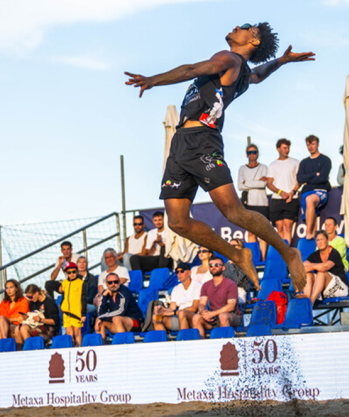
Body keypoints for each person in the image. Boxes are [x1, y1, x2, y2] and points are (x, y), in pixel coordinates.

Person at [125, 22, 313, 293]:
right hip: (181, 142)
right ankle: (237, 255)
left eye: (246, 27)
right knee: (177, 222)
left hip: (203, 140)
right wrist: (281, 61)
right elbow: (259, 74)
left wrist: (154, 80)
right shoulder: (243, 72)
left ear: (254, 41)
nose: (238, 26)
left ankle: (288, 253)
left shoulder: (229, 58)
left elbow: (191, 69)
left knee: (234, 211)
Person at [192, 256, 240, 338]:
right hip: (213, 316)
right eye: (211, 265)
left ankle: (226, 346)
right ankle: (200, 346)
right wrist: (203, 313)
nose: (213, 267)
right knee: (196, 317)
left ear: (223, 268)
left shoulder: (231, 284)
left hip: (231, 315)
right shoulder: (206, 285)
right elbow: (202, 303)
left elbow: (231, 306)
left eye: (217, 265)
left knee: (223, 316)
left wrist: (212, 314)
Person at [299, 231, 349, 307]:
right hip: (322, 288)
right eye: (317, 240)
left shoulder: (334, 253)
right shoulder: (314, 255)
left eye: (322, 239)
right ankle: (307, 296)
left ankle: (311, 301)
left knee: (321, 272)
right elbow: (301, 268)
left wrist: (311, 266)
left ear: (327, 240)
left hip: (340, 287)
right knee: (308, 274)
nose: (320, 242)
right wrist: (317, 266)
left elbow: (325, 267)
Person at [238, 143, 269, 258]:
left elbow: (264, 184)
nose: (252, 154)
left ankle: (263, 258)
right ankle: (254, 258)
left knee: (263, 233)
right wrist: (256, 182)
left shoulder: (264, 167)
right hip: (249, 203)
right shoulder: (242, 168)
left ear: (258, 153)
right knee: (250, 232)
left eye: (254, 152)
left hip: (262, 203)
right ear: (247, 154)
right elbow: (240, 186)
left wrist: (248, 183)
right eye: (250, 152)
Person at [267, 138, 301, 244]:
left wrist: (291, 192)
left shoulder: (295, 162)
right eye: (284, 148)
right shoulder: (272, 165)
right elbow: (269, 183)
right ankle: (281, 254)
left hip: (291, 198)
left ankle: (287, 254)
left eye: (288, 148)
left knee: (287, 227)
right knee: (279, 228)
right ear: (278, 149)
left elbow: (299, 180)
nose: (287, 150)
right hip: (277, 199)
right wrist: (280, 192)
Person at [152, 261, 201, 334]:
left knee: (182, 313)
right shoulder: (176, 289)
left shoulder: (198, 286)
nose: (179, 274)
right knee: (156, 317)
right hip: (178, 315)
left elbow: (194, 308)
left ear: (190, 273)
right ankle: (164, 342)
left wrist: (174, 312)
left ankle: (184, 340)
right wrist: (162, 310)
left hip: (192, 317)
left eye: (182, 271)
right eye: (177, 272)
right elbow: (172, 308)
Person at [297, 135, 332, 238]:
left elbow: (322, 178)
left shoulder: (325, 160)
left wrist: (308, 180)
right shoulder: (304, 162)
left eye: (313, 144)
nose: (310, 147)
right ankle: (312, 237)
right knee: (312, 218)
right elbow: (299, 179)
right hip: (306, 192)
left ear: (318, 144)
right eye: (308, 144)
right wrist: (314, 174)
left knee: (310, 199)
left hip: (320, 192)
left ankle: (307, 232)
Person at [58, 262, 87, 346]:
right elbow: (64, 295)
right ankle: (71, 350)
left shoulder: (81, 283)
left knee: (77, 332)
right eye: (69, 272)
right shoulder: (64, 283)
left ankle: (79, 349)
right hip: (66, 312)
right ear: (66, 273)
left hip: (76, 312)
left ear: (77, 272)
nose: (72, 274)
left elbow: (83, 299)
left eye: (74, 272)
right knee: (69, 334)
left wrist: (83, 314)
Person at [223, 238, 254, 304]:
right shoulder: (225, 265)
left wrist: (231, 264)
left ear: (241, 248)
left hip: (240, 292)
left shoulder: (246, 264)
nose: (231, 248)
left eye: (233, 246)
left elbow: (236, 280)